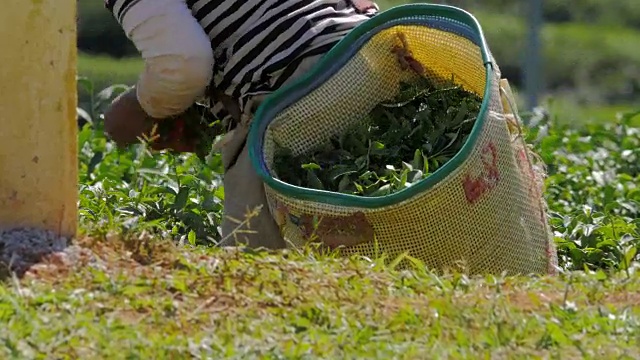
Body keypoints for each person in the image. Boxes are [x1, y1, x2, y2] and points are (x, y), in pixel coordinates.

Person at [102, 0, 379, 249]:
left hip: (296, 91)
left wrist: (138, 109)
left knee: (253, 258)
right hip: (373, 52)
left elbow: (182, 65)